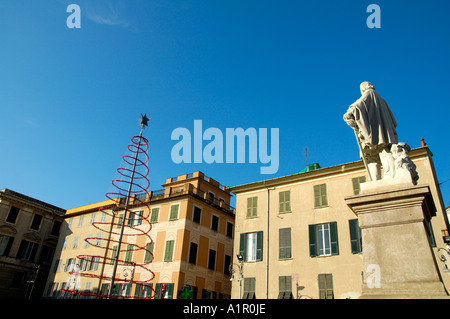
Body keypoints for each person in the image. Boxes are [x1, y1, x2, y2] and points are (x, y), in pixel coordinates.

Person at [343, 82, 398, 181]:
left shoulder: (370, 94)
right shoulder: (382, 100)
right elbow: (393, 121)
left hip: (377, 132)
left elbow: (358, 106)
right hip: (382, 131)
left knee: (381, 152)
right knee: (373, 156)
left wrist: (349, 113)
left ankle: (389, 176)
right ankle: (375, 180)